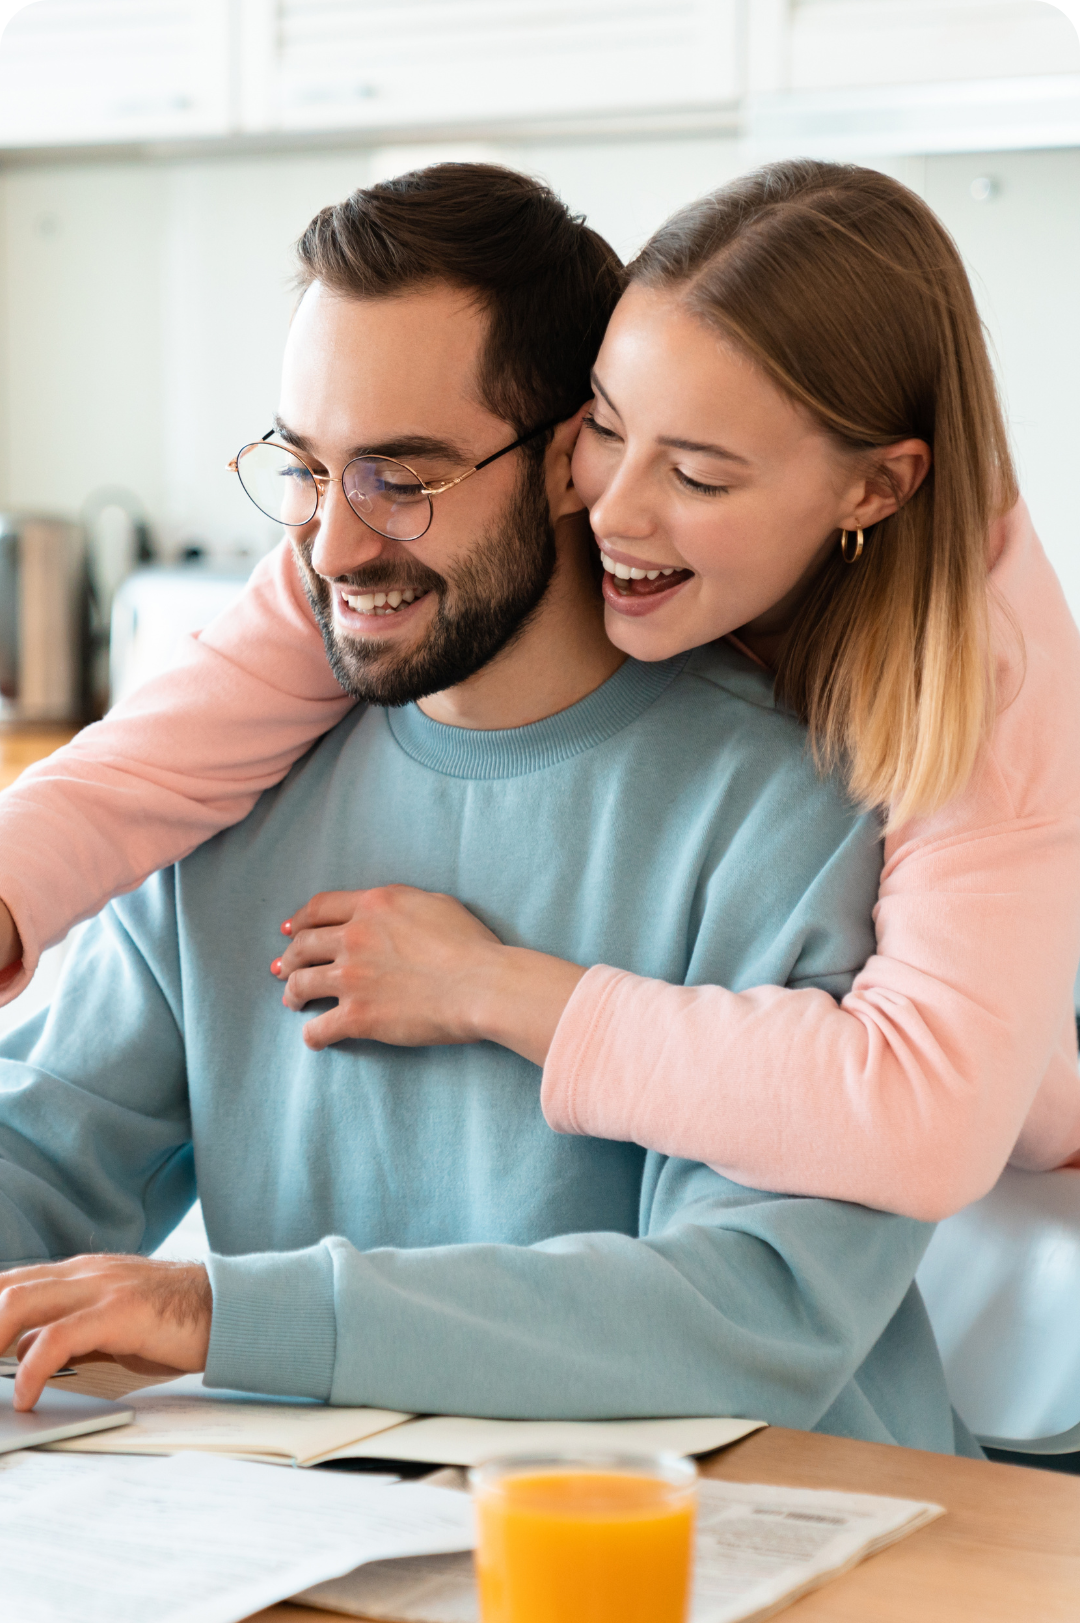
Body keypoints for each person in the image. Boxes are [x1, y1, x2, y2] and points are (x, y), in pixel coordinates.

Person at [0, 171, 966, 1455]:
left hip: (772, 1550)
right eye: (304, 466)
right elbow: (46, 1146)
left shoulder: (797, 811)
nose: (333, 548)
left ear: (575, 459)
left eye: (400, 475)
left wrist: (229, 1312)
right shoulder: (238, 782)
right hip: (343, 1535)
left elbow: (751, 1309)